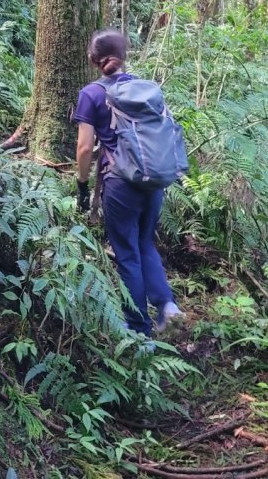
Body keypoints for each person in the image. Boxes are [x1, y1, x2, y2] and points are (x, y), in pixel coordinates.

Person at [72, 29, 184, 337]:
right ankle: (166, 305)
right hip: (153, 180)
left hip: (120, 183)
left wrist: (82, 186)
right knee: (145, 243)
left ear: (93, 60)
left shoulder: (91, 94)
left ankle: (138, 330)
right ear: (124, 57)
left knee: (126, 253)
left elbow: (84, 148)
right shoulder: (145, 89)